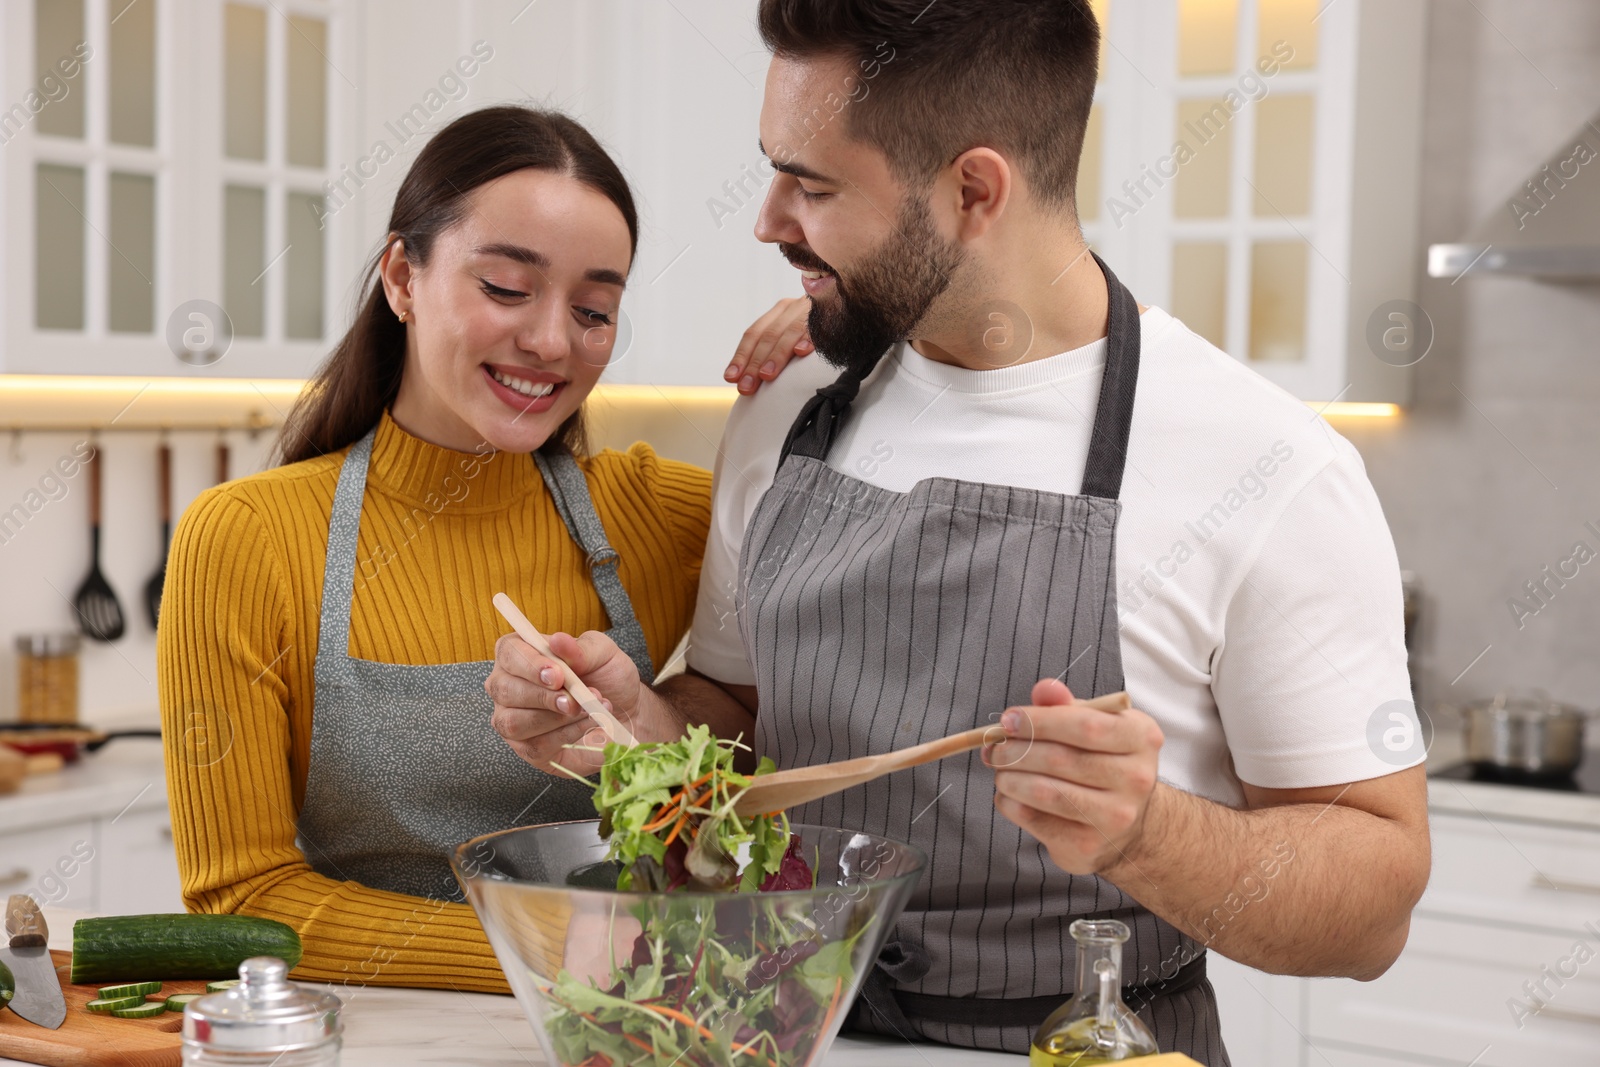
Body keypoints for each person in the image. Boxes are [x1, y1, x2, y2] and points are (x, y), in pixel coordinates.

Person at [487, 2, 1432, 1062]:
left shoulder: (1267, 465)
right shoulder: (788, 399)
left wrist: (1147, 832)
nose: (766, 218)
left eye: (814, 183)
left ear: (973, 190)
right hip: (772, 1037)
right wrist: (643, 728)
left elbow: (1371, 911)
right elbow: (743, 713)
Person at [157, 105, 813, 992]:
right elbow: (242, 900)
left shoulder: (665, 515)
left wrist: (851, 344)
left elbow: (778, 730)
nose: (550, 341)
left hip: (634, 1029)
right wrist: (554, 951)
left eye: (593, 309)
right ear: (401, 277)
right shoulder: (246, 541)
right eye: (506, 288)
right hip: (385, 1039)